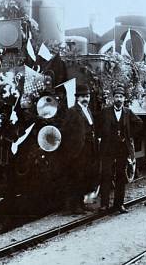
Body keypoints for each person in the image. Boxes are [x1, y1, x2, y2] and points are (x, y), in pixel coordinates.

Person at [98, 87, 142, 214]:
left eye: (121, 97)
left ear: (124, 99)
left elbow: (139, 123)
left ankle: (119, 204)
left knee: (121, 176)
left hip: (122, 149)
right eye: (116, 96)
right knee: (106, 175)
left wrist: (128, 135)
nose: (118, 99)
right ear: (113, 98)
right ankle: (104, 205)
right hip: (108, 148)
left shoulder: (128, 112)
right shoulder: (105, 112)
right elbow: (98, 126)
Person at [61, 84, 97, 214]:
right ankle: (73, 206)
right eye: (82, 96)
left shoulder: (88, 110)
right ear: (77, 98)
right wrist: (71, 149)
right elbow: (65, 131)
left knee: (85, 177)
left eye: (87, 96)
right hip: (77, 150)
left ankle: (81, 203)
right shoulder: (72, 111)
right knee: (76, 177)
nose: (85, 99)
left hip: (89, 148)